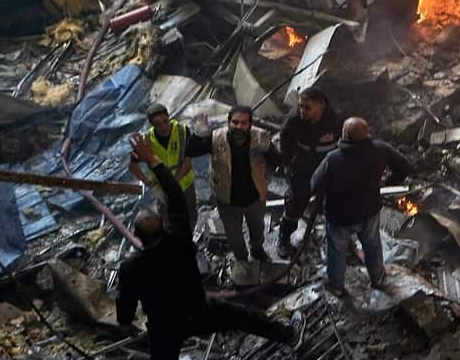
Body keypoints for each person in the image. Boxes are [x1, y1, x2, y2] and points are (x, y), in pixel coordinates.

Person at [117, 134, 302, 360]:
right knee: (243, 317)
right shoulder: (178, 239)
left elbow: (124, 314)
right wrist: (154, 161)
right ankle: (288, 335)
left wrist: (129, 319)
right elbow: (176, 198)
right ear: (162, 227)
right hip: (198, 311)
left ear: (137, 237)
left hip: (165, 327)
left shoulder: (130, 268)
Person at [303, 117, 413, 296]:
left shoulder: (332, 159)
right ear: (367, 133)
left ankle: (336, 286)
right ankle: (377, 277)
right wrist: (388, 182)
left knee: (337, 252)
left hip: (339, 217)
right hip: (369, 211)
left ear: (344, 134)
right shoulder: (380, 149)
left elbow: (314, 185)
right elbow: (406, 167)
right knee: (372, 246)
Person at [185, 105, 272, 270]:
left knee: (257, 230)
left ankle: (257, 250)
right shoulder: (216, 138)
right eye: (235, 122)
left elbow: (279, 161)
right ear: (228, 122)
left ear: (250, 124)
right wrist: (199, 135)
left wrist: (269, 150)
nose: (239, 127)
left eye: (244, 123)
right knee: (235, 238)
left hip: (255, 199)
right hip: (228, 202)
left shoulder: (259, 137)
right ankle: (242, 261)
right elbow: (191, 151)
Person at [276, 85, 342, 258]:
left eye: (307, 107)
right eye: (300, 106)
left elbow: (345, 139)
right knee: (295, 202)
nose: (302, 111)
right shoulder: (293, 120)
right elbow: (284, 139)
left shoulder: (334, 119)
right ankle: (284, 238)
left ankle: (335, 241)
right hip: (303, 164)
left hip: (328, 164)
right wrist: (287, 162)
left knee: (335, 203)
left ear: (320, 105)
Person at [127, 103, 198, 235]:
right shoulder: (146, 140)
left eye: (165, 121)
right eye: (157, 124)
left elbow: (188, 161)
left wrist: (173, 183)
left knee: (191, 215)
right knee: (166, 220)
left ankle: (188, 241)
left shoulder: (182, 131)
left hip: (185, 184)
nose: (163, 127)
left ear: (169, 117)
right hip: (162, 189)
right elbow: (132, 166)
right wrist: (152, 185)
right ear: (151, 125)